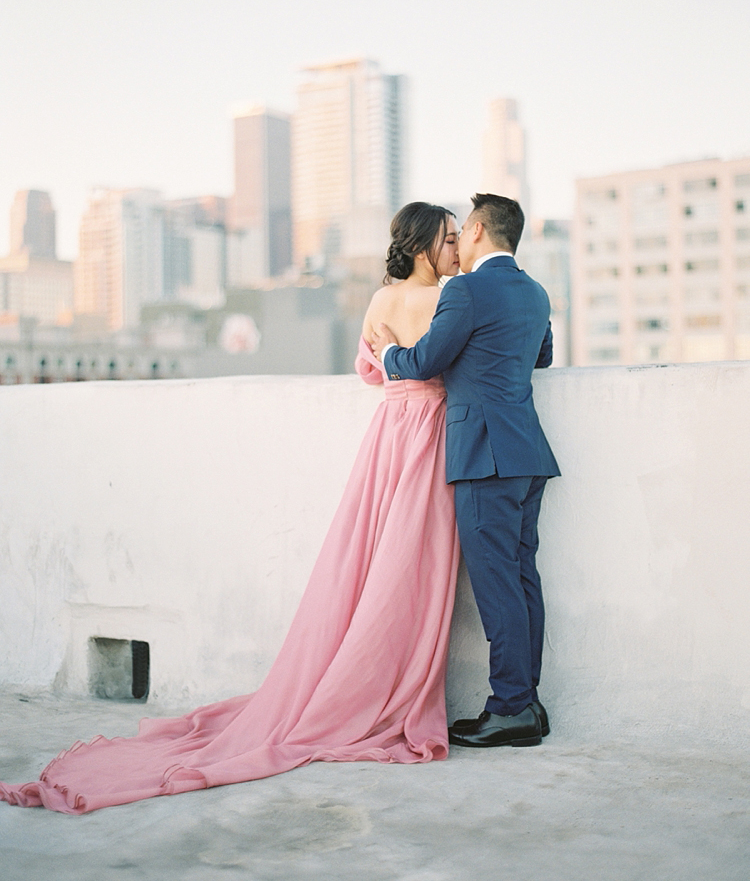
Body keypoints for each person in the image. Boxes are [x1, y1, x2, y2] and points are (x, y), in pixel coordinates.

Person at [0, 203, 462, 814]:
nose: (457, 247)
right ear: (426, 243)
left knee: (379, 557)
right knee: (411, 561)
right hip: (428, 431)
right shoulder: (451, 300)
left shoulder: (380, 301)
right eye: (449, 238)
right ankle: (384, 686)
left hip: (389, 434)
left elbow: (370, 372)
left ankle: (365, 678)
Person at [372, 193, 560, 749]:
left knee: (498, 584)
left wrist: (387, 354)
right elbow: (541, 355)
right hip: (527, 453)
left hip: (485, 455)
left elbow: (425, 360)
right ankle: (527, 701)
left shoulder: (466, 290)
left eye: (461, 231)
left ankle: (510, 708)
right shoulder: (535, 291)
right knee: (523, 578)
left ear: (476, 230)